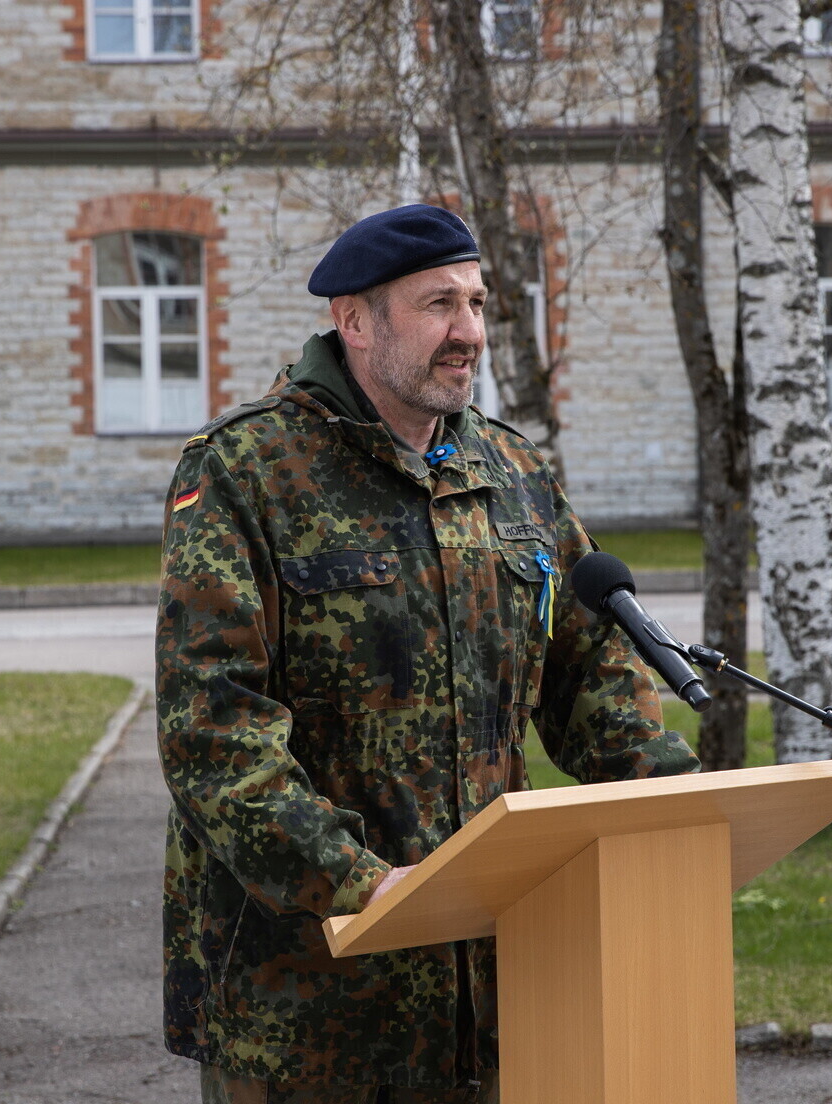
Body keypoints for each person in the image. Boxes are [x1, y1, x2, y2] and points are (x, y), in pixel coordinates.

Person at [156, 204, 699, 1104]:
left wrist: (677, 806)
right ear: (356, 321)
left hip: (491, 996)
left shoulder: (512, 473)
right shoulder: (245, 470)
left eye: (476, 303)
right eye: (439, 304)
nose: (470, 332)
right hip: (309, 1010)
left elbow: (590, 674)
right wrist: (358, 883)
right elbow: (212, 732)